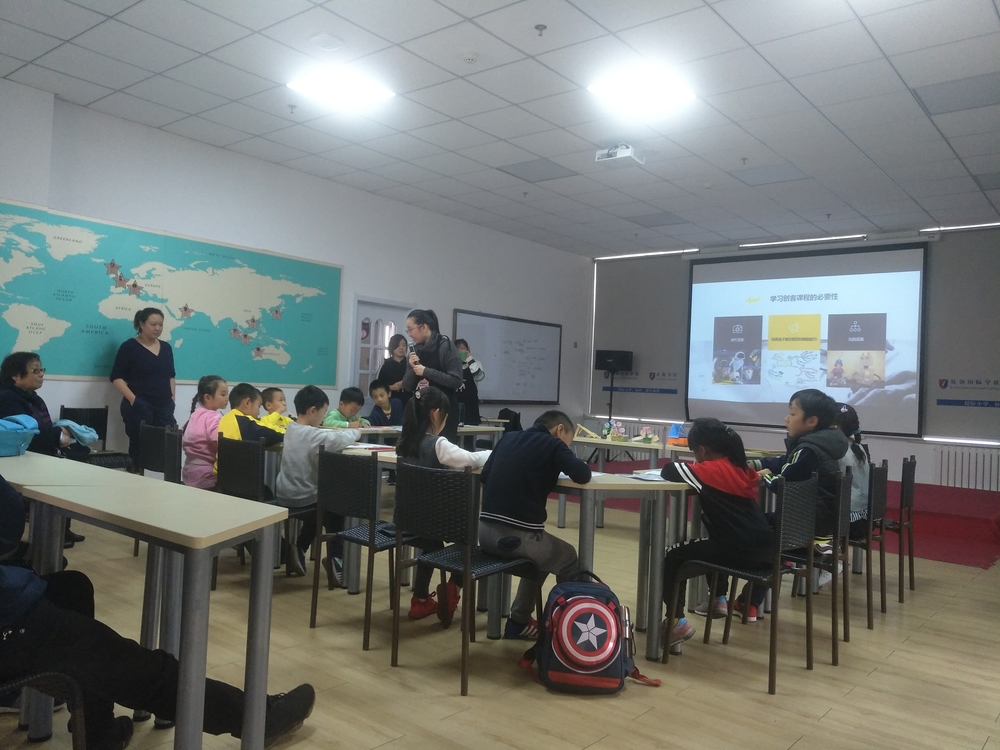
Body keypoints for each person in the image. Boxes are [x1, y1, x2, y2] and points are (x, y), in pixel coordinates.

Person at [658, 418, 772, 648]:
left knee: (673, 555)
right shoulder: (742, 469)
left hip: (739, 551)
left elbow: (669, 470)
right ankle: (718, 598)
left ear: (701, 450)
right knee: (711, 543)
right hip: (765, 551)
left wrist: (695, 465)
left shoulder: (709, 470)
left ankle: (676, 622)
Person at [478, 410, 591, 640]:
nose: (566, 448)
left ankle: (519, 622)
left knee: (546, 551)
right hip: (514, 539)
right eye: (568, 443)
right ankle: (568, 628)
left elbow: (484, 477)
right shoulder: (553, 445)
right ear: (559, 430)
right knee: (568, 556)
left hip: (485, 533)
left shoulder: (508, 438)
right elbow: (582, 474)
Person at [741, 388, 849, 618]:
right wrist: (758, 464)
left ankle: (748, 600)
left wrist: (765, 476)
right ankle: (750, 600)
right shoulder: (818, 445)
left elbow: (784, 482)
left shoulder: (809, 449)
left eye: (792, 413)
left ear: (811, 421)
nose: (786, 418)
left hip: (806, 527)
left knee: (755, 529)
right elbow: (787, 461)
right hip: (820, 525)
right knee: (765, 528)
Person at [395, 386, 490, 625]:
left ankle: (419, 599)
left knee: (431, 543)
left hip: (408, 520)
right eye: (446, 418)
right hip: (436, 523)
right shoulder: (438, 444)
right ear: (436, 414)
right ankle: (453, 586)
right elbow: (470, 460)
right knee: (468, 538)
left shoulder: (404, 443)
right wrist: (493, 452)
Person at [0, 351, 86, 547]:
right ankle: (49, 537)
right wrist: (57, 434)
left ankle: (62, 530)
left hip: (41, 453)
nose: (41, 374)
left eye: (42, 370)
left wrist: (60, 432)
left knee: (77, 459)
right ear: (16, 376)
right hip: (22, 458)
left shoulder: (33, 397)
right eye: (35, 371)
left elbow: (42, 426)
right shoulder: (8, 399)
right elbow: (26, 434)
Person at [274, 386, 360, 579]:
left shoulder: (291, 429)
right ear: (313, 411)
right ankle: (336, 557)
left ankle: (299, 549)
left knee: (319, 503)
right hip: (302, 498)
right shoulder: (314, 435)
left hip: (284, 494)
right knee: (336, 509)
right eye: (323, 412)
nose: (323, 417)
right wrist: (356, 432)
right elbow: (339, 439)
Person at [110, 308, 176, 465]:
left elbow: (171, 376)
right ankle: (136, 477)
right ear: (141, 324)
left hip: (164, 407)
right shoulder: (129, 347)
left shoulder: (166, 348)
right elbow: (116, 378)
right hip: (139, 406)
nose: (158, 328)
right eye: (153, 324)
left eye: (161, 324)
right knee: (139, 450)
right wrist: (134, 400)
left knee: (166, 449)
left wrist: (172, 399)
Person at [401, 310, 463, 444]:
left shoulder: (446, 346)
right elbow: (406, 386)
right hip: (421, 409)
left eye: (410, 330)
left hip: (443, 410)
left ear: (423, 327)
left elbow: (456, 380)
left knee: (441, 450)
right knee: (417, 449)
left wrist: (425, 371)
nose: (409, 335)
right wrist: (413, 369)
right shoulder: (414, 351)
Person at [216, 383, 284, 462]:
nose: (258, 413)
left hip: (221, 468)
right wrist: (288, 432)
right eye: (258, 406)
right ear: (247, 403)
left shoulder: (226, 418)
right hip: (239, 468)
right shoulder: (245, 422)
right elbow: (270, 433)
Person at [181, 375, 228, 489]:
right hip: (205, 476)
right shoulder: (213, 417)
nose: (227, 398)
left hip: (188, 474)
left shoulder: (196, 414)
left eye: (227, 394)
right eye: (223, 394)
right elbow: (219, 443)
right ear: (208, 397)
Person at [834, 403, 872, 541]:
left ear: (835, 427)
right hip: (866, 518)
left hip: (848, 522)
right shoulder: (859, 447)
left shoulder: (837, 448)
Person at [377, 333, 411, 412]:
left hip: (408, 400)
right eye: (398, 345)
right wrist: (391, 387)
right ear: (392, 347)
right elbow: (378, 386)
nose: (401, 348)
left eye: (404, 345)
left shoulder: (410, 363)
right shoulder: (386, 365)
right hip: (391, 401)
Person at [454, 339, 484, 427]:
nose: (460, 351)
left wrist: (469, 359)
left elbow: (479, 377)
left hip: (471, 407)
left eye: (463, 348)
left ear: (468, 350)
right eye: (457, 349)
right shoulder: (451, 366)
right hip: (455, 406)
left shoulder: (475, 363)